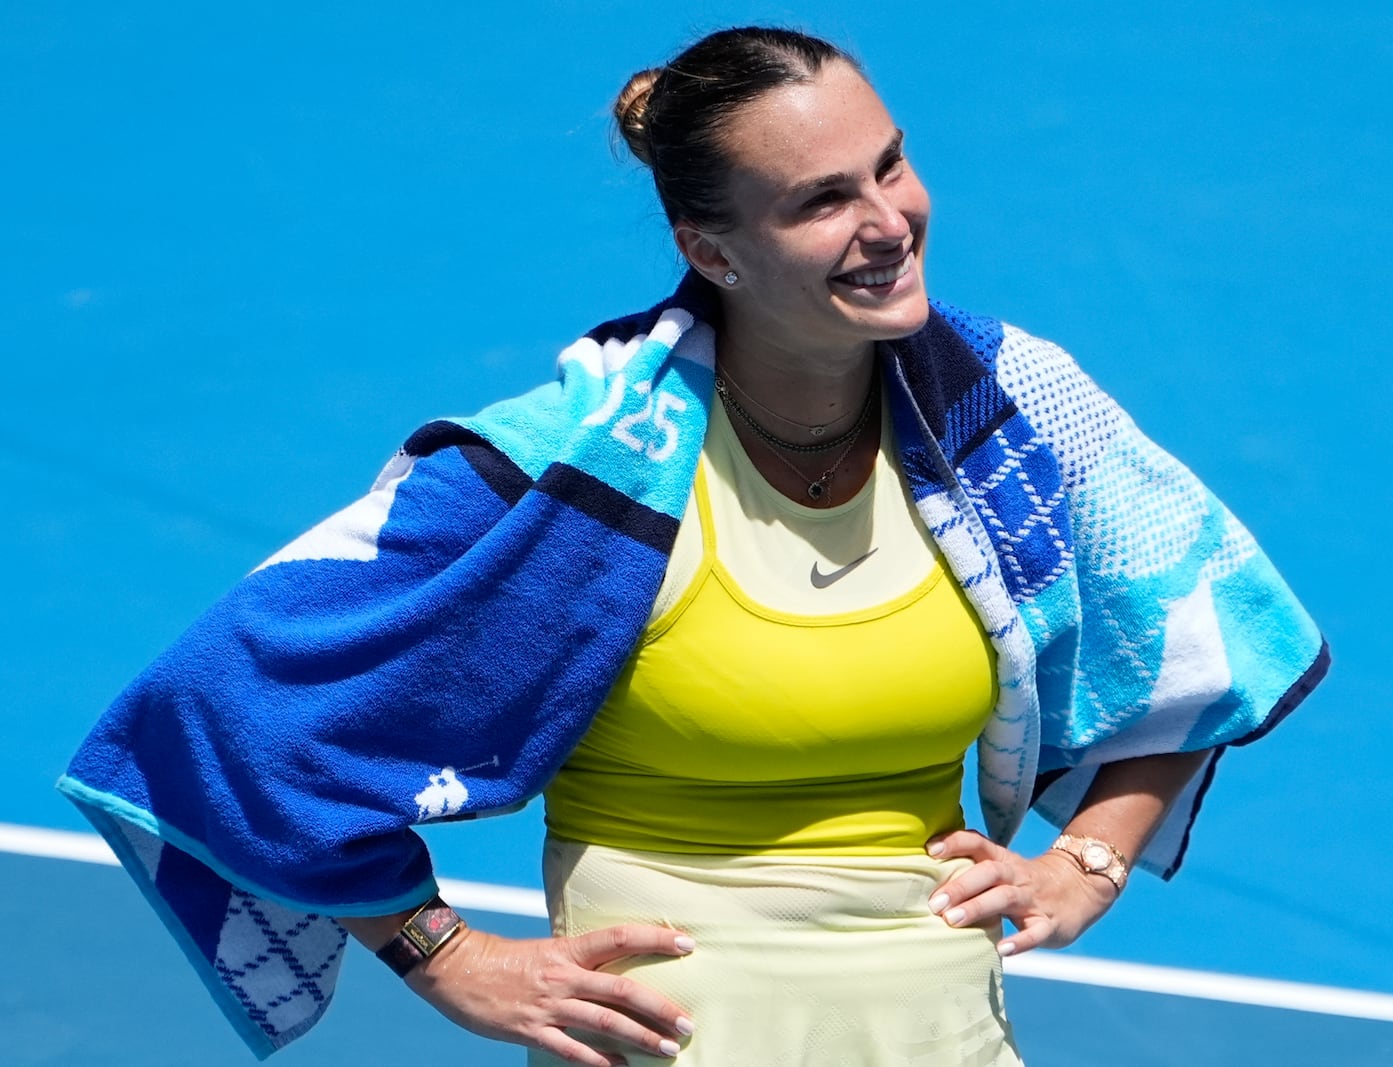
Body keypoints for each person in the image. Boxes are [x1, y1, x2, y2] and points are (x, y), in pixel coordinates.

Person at [59, 25, 1329, 1067]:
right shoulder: (566, 464)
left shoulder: (1005, 406)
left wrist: (1087, 861)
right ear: (709, 249)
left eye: (889, 166)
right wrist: (445, 955)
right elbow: (222, 707)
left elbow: (1206, 637)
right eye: (824, 199)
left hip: (943, 1036)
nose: (886, 219)